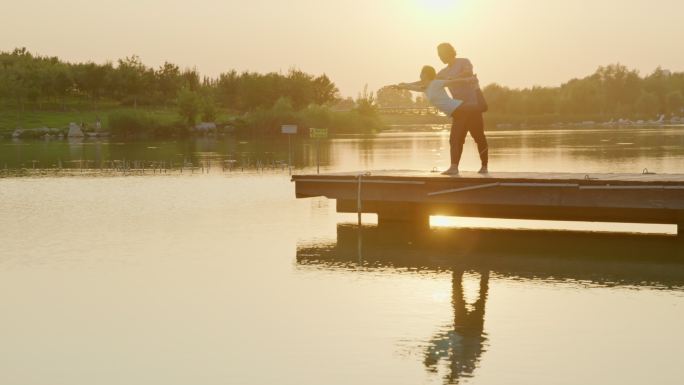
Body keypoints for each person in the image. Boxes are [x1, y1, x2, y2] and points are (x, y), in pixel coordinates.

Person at [437, 43, 489, 174]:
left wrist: (451, 79)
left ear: (449, 52)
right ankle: (454, 167)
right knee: (455, 139)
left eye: (441, 54)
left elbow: (467, 73)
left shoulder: (464, 62)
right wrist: (405, 86)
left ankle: (484, 166)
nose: (439, 57)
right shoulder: (443, 72)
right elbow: (428, 82)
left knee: (478, 137)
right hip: (460, 109)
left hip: (473, 106)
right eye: (438, 55)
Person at [393, 65, 477, 127]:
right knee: (457, 140)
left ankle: (476, 89)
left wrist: (469, 80)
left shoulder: (436, 83)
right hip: (455, 114)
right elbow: (411, 87)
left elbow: (454, 82)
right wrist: (400, 87)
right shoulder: (425, 88)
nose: (420, 75)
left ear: (426, 74)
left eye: (421, 73)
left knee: (459, 139)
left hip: (459, 108)